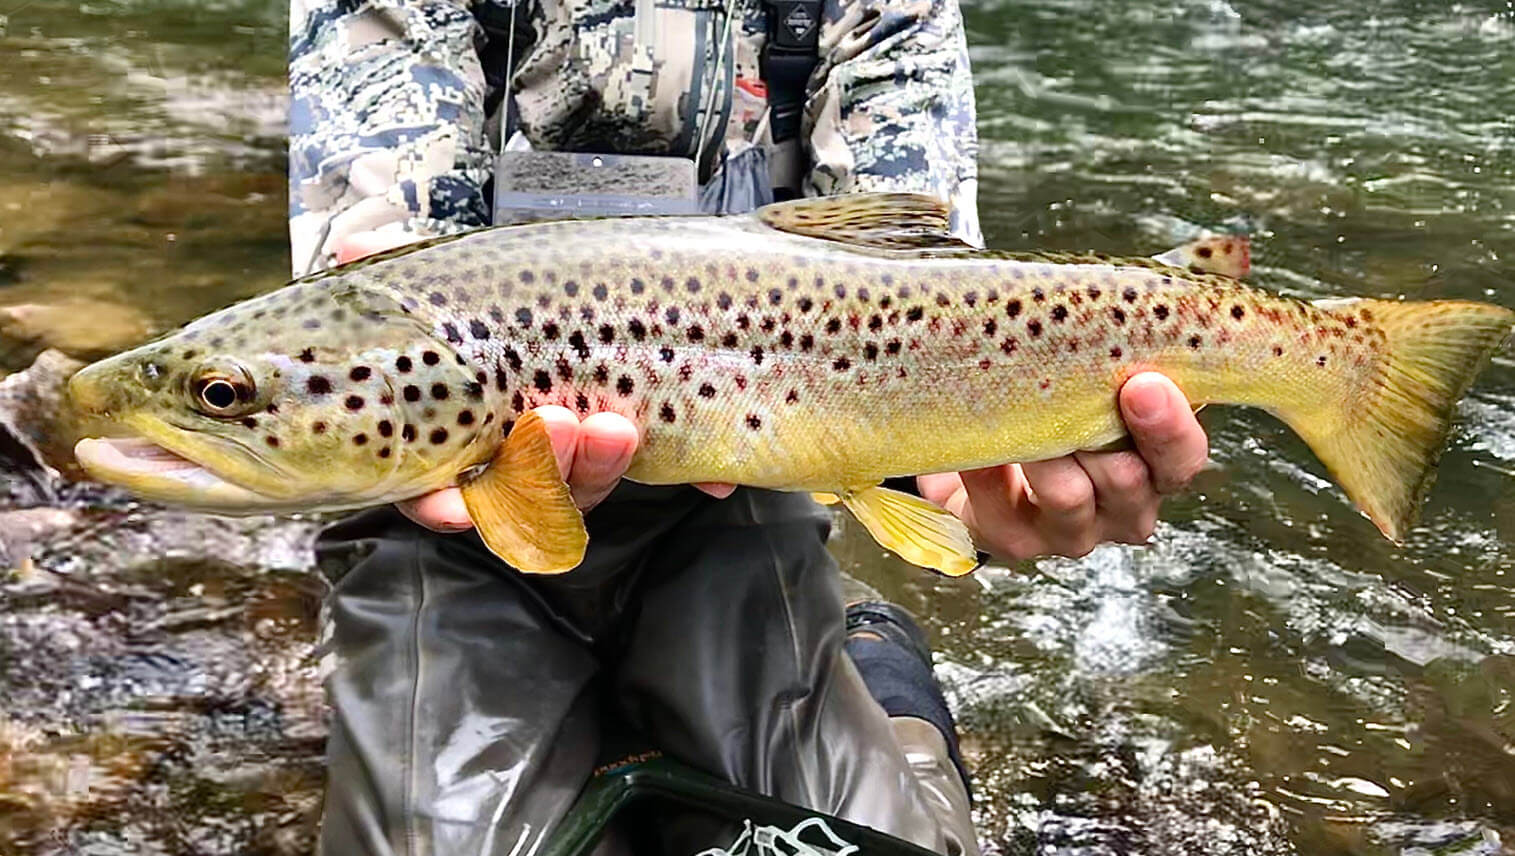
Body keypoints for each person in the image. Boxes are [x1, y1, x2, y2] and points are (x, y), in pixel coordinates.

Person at [288, 0, 1210, 854]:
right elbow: (365, 319)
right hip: (439, 508)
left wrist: (943, 468)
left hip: (741, 495)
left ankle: (885, 681)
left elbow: (916, 282)